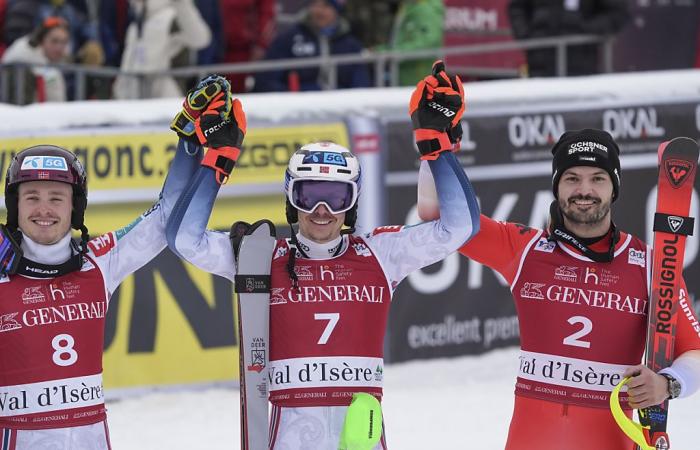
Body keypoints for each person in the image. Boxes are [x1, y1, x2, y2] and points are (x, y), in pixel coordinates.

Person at [166, 62, 479, 448]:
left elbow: (460, 227)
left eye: (336, 197)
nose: (322, 210)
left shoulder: (379, 254)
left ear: (352, 204)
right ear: (290, 199)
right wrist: (219, 158)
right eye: (309, 195)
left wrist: (435, 143)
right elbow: (184, 239)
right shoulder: (259, 257)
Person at [418, 128, 700, 449]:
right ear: (556, 186)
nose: (584, 190)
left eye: (598, 178)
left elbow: (695, 351)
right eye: (571, 178)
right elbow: (438, 217)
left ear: (614, 187)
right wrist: (434, 145)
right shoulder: (524, 249)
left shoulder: (650, 265)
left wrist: (668, 384)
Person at [0, 75, 231, 449]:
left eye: (57, 198)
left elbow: (162, 219)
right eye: (32, 198)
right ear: (15, 207)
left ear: (75, 208)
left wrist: (191, 140)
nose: (44, 209)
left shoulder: (99, 261)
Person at [254, 0, 371, 92]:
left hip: (341, 109)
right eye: (314, 4)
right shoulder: (289, 38)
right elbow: (266, 79)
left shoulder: (351, 44)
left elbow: (361, 83)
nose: (318, 11)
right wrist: (292, 95)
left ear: (336, 10)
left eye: (326, 5)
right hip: (297, 110)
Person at [113, 0, 212, 99]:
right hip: (136, 99)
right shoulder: (136, 22)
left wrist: (182, 5)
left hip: (167, 99)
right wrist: (119, 91)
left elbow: (201, 39)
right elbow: (129, 62)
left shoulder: (172, 16)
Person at [507, 0, 629, 77]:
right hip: (539, 65)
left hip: (581, 66)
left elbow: (617, 12)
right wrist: (526, 36)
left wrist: (585, 28)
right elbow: (517, 8)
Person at [1, 16, 70, 103]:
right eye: (54, 41)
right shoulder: (24, 54)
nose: (59, 48)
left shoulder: (59, 61)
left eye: (64, 42)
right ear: (41, 40)